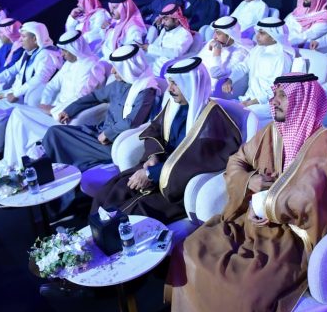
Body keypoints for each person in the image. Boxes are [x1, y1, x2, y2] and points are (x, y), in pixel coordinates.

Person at [168, 72, 327, 312]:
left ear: (303, 101)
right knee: (190, 249)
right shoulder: (271, 132)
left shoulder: (324, 142)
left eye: (282, 96)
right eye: (274, 94)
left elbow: (310, 196)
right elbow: (236, 161)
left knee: (244, 291)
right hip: (249, 224)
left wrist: (263, 203)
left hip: (290, 238)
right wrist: (249, 180)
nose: (273, 101)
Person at [91, 57, 242, 223]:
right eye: (169, 83)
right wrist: (152, 156)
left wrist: (151, 174)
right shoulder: (174, 106)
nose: (169, 89)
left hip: (177, 186)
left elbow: (195, 162)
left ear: (190, 84)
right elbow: (154, 129)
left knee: (128, 214)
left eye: (175, 84)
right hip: (157, 168)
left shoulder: (214, 120)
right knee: (109, 193)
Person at [0, 30, 107, 173]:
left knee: (19, 114)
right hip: (54, 110)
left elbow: (82, 98)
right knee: (18, 114)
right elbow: (52, 85)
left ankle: (19, 165)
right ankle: (16, 163)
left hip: (65, 116)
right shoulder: (70, 63)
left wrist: (53, 110)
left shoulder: (92, 66)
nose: (62, 54)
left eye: (65, 51)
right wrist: (44, 103)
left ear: (74, 49)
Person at [41, 44, 159, 171]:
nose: (112, 71)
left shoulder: (146, 90)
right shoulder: (118, 84)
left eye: (116, 67)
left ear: (129, 68)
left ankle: (49, 171)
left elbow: (132, 122)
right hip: (99, 132)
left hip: (112, 142)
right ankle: (49, 169)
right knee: (54, 132)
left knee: (58, 138)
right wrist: (69, 110)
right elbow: (95, 96)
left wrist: (108, 134)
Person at [0, 22, 63, 154]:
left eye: (23, 37)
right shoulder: (29, 52)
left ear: (35, 39)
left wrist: (16, 94)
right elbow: (14, 69)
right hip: (14, 92)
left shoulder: (46, 55)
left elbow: (39, 79)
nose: (20, 39)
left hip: (26, 97)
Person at [222, 17, 294, 125]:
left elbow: (277, 88)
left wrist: (252, 102)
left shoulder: (282, 57)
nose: (257, 36)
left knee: (234, 115)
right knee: (220, 109)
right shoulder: (257, 49)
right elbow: (243, 66)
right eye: (257, 32)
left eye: (262, 33)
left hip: (267, 104)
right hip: (248, 99)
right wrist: (230, 80)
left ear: (274, 36)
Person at [199, 16, 253, 94]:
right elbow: (198, 62)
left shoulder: (240, 52)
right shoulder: (213, 41)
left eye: (218, 33)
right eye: (214, 32)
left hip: (208, 88)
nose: (214, 37)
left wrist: (217, 49)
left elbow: (216, 74)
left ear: (229, 35)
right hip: (198, 79)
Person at [142, 3, 194, 74]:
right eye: (162, 19)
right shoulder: (165, 30)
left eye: (166, 19)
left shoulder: (185, 34)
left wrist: (151, 48)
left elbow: (176, 53)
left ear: (176, 20)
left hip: (166, 68)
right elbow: (155, 46)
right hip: (154, 63)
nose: (163, 22)